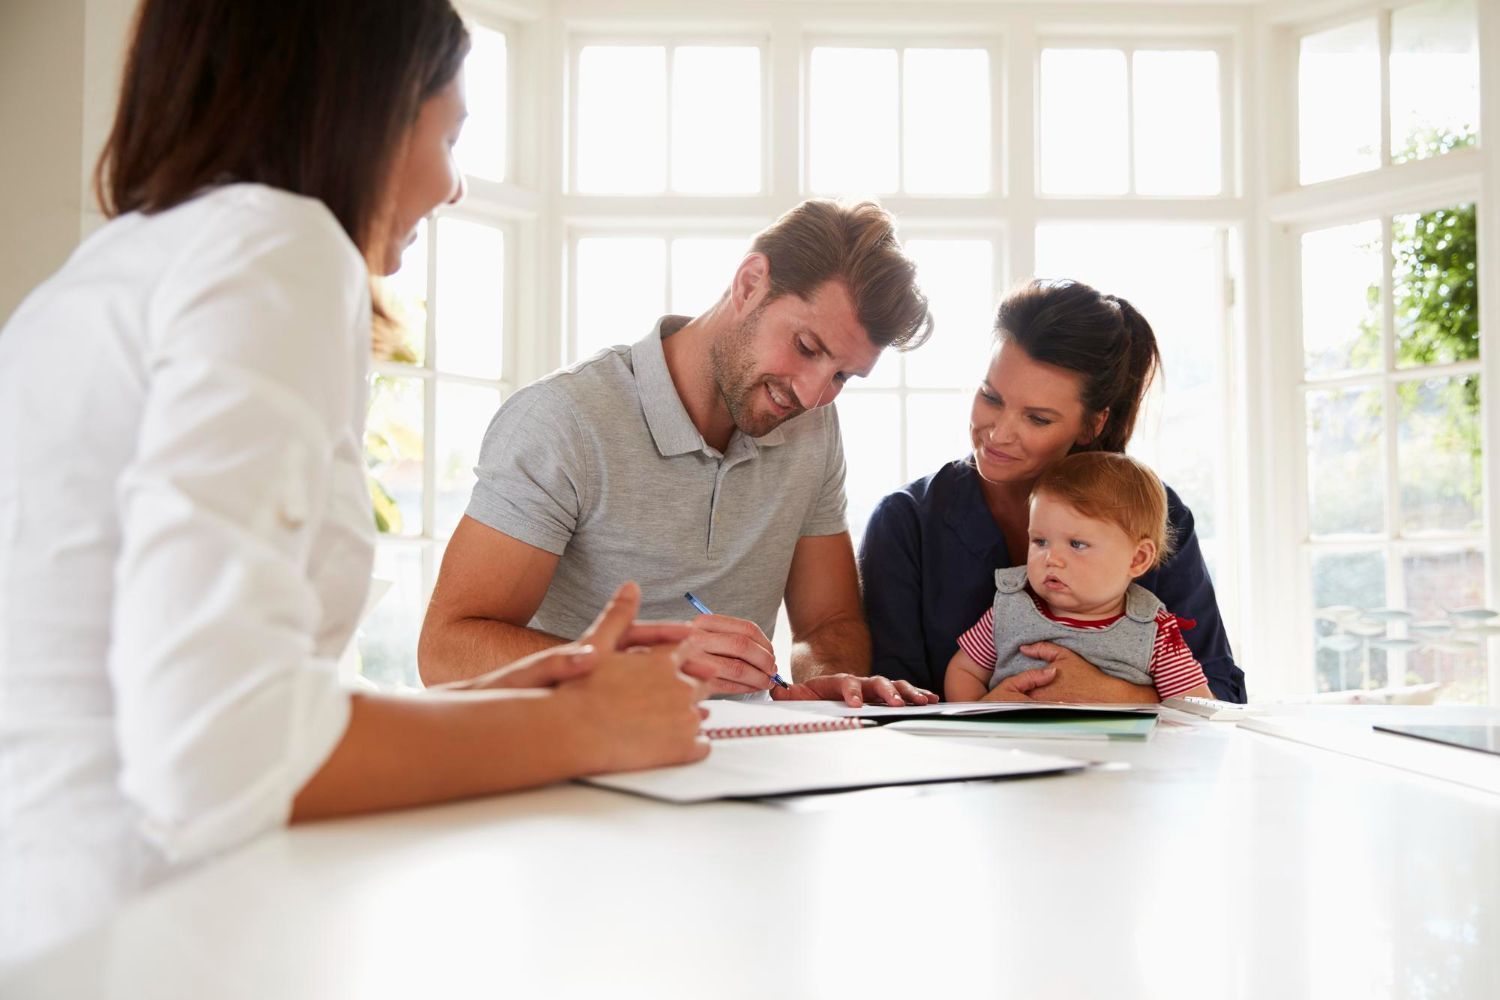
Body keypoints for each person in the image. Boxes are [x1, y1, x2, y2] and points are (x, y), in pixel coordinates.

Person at [0, 0, 710, 966]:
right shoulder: (276, 246)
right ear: (364, 106)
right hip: (131, 940)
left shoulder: (117, 266)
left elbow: (182, 697)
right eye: (451, 133)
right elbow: (218, 754)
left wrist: (501, 700)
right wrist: (579, 730)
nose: (456, 187)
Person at [419, 200, 939, 708]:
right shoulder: (564, 419)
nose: (811, 394)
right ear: (750, 283)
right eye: (806, 347)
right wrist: (639, 664)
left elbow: (828, 623)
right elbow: (445, 651)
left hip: (738, 762)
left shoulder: (814, 428)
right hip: (572, 758)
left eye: (842, 376)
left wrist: (826, 681)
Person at [861, 278, 1246, 703]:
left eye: (1038, 419)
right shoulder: (907, 522)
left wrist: (1109, 694)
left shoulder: (1155, 515)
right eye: (991, 397)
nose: (999, 434)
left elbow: (1220, 699)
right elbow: (891, 706)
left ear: (1092, 424)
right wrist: (983, 714)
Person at [945, 451, 1215, 703]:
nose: (1052, 558)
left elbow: (1194, 707)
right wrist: (981, 712)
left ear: (1138, 559)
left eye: (1077, 544)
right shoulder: (1010, 606)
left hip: (1116, 752)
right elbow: (964, 670)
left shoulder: (1154, 631)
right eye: (1040, 541)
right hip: (1015, 748)